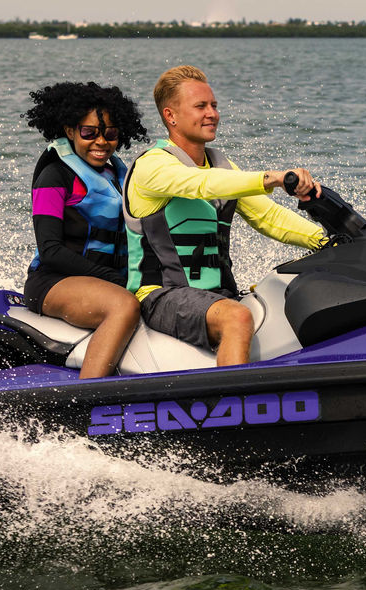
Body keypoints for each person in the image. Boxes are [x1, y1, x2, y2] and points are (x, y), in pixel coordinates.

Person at [122, 65, 327, 367]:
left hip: (216, 294)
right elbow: (200, 185)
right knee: (237, 317)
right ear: (170, 116)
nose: (212, 114)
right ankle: (233, 405)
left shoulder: (222, 167)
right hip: (161, 295)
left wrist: (326, 241)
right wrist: (272, 178)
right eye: (201, 106)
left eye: (214, 106)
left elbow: (269, 217)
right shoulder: (152, 166)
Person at [22, 82, 148, 378]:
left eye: (111, 134)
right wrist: (114, 279)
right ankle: (88, 397)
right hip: (54, 281)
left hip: (108, 281)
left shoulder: (119, 176)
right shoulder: (54, 176)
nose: (101, 142)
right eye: (89, 132)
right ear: (70, 131)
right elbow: (50, 250)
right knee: (124, 307)